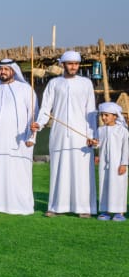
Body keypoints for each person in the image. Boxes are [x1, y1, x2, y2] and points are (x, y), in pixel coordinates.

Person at [33, 51, 98, 217]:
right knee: (59, 170)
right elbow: (46, 108)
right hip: (59, 134)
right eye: (70, 63)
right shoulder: (54, 83)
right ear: (63, 64)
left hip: (81, 135)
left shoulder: (86, 83)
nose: (73, 66)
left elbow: (90, 111)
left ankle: (84, 209)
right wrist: (39, 124)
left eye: (76, 63)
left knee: (82, 172)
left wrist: (92, 135)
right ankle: (55, 207)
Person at [0, 59, 37, 215]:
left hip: (18, 142)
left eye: (6, 69)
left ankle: (20, 205)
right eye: (0, 69)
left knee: (18, 174)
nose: (3, 72)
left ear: (14, 71)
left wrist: (31, 137)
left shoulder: (26, 89)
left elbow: (34, 115)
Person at [95, 102, 128, 221]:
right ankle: (105, 210)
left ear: (115, 116)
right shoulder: (100, 130)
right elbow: (98, 144)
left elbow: (126, 148)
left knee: (118, 186)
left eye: (106, 115)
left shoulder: (122, 130)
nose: (103, 118)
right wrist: (94, 146)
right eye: (102, 115)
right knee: (104, 185)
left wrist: (124, 163)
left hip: (118, 164)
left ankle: (120, 212)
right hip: (104, 163)